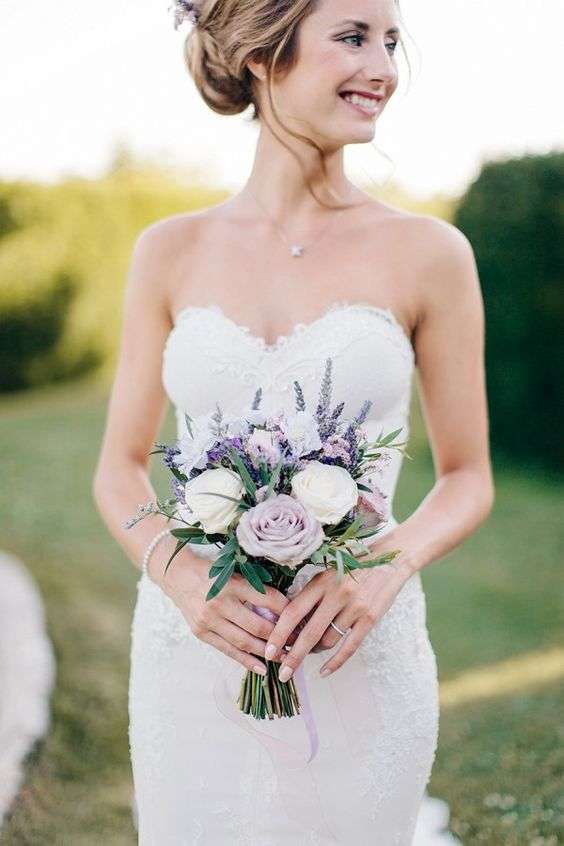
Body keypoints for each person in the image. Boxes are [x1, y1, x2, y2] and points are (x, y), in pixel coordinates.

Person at [92, 0, 495, 842]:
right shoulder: (170, 250)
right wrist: (178, 580)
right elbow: (120, 466)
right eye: (352, 37)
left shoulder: (430, 254)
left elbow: (468, 479)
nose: (383, 67)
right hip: (194, 651)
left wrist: (387, 563)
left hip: (356, 644)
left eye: (391, 41)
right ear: (263, 55)